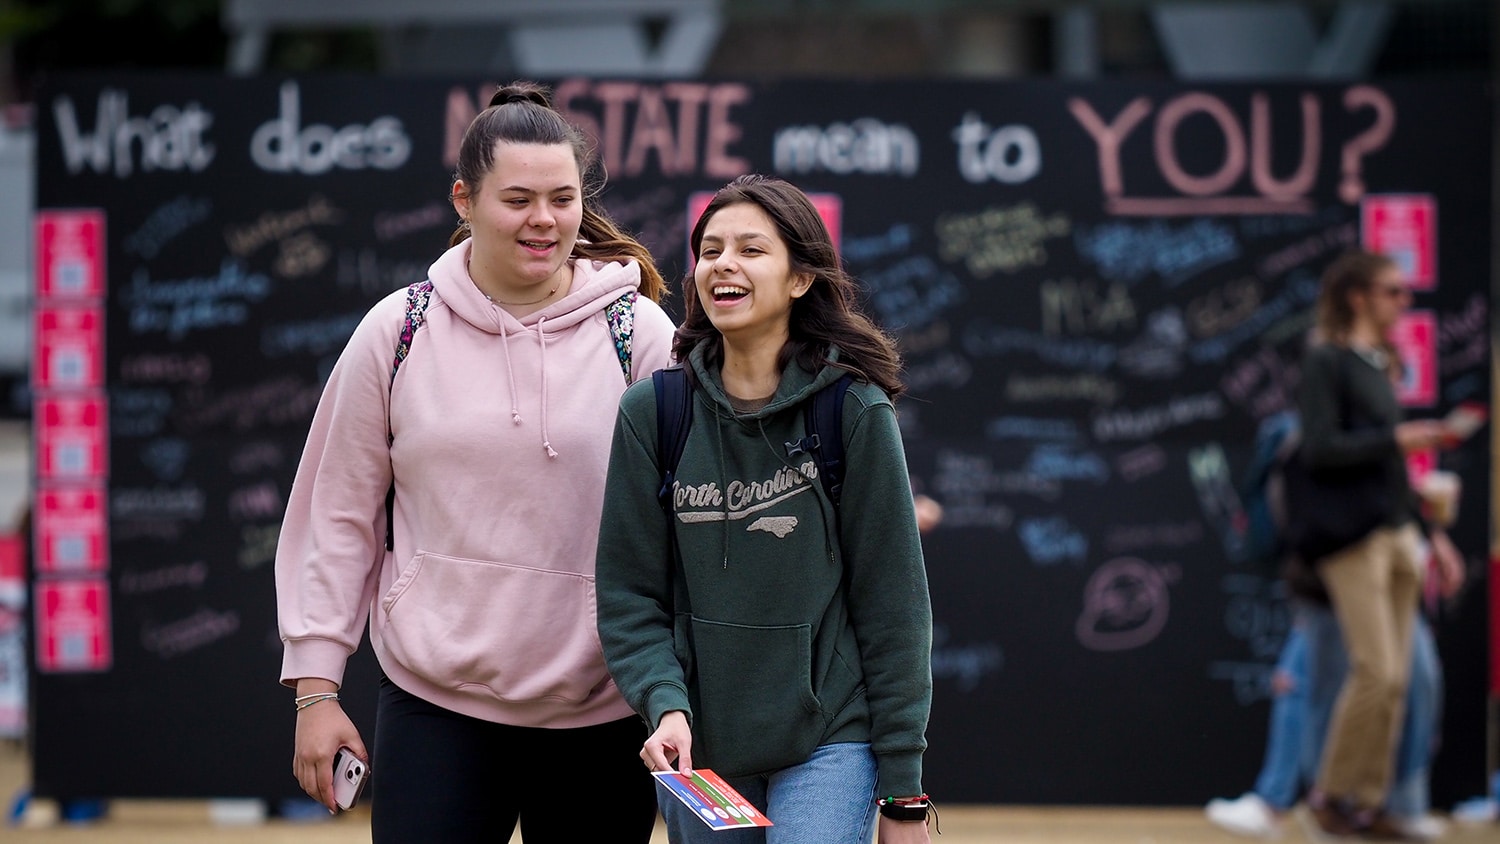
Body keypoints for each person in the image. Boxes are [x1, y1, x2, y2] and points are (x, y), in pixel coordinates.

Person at [274, 81, 677, 843]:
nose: (544, 220)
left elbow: (690, 510)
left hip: (604, 707)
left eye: (562, 198)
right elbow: (337, 516)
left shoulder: (640, 334)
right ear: (463, 198)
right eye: (517, 198)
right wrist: (315, 691)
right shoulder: (397, 331)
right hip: (436, 706)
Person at [595, 174, 934, 844]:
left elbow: (894, 606)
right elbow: (630, 596)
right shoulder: (655, 413)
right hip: (700, 744)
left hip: (831, 737)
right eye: (710, 250)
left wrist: (904, 793)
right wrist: (664, 706)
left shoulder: (852, 410)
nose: (724, 264)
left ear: (801, 278)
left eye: (751, 249)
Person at [1295, 249, 1459, 838]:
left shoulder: (1380, 363)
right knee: (1377, 673)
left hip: (1396, 532)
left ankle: (1367, 802)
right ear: (1358, 295)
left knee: (1399, 679)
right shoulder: (1327, 362)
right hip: (1352, 539)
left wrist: (1430, 532)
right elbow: (1319, 449)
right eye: (1393, 291)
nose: (1404, 302)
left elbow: (1391, 469)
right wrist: (1395, 438)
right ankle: (1328, 797)